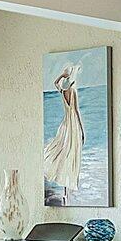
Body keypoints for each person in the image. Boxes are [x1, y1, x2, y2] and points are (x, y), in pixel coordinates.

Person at [44, 64, 84, 203]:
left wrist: (62, 75)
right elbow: (76, 111)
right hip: (73, 125)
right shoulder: (73, 92)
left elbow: (55, 83)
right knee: (72, 155)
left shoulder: (63, 91)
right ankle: (67, 190)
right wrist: (81, 129)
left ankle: (65, 191)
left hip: (65, 125)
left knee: (64, 153)